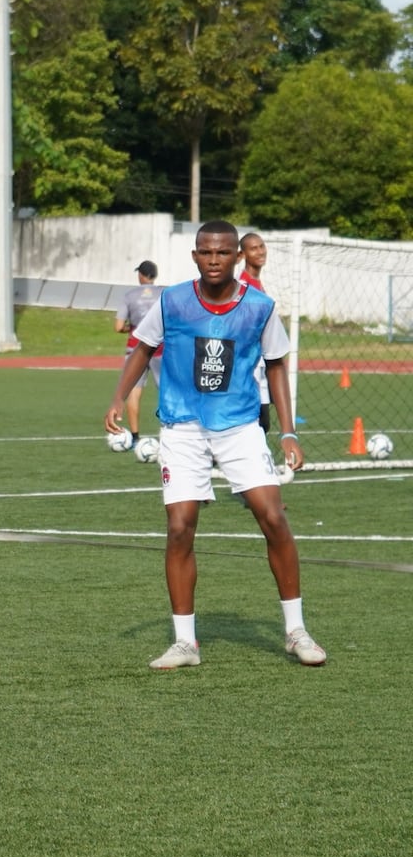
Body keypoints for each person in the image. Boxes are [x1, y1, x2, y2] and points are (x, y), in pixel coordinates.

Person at [103, 220, 326, 670]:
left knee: (273, 515)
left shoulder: (260, 307)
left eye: (223, 253)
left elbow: (277, 365)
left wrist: (287, 430)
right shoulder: (172, 301)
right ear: (194, 256)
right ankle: (185, 643)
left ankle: (296, 630)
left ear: (237, 257)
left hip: (240, 426)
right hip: (182, 427)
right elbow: (143, 348)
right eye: (206, 252)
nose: (214, 260)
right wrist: (118, 397)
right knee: (180, 525)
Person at [113, 261, 162, 445]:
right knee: (166, 392)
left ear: (141, 275)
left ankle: (134, 437)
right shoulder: (163, 294)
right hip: (160, 348)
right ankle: (169, 434)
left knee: (134, 392)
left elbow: (118, 326)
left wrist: (132, 328)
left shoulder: (129, 296)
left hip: (136, 348)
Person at [237, 232, 272, 432]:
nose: (260, 251)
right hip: (248, 364)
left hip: (260, 362)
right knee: (252, 424)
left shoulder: (257, 284)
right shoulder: (244, 285)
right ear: (242, 255)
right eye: (253, 248)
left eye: (261, 246)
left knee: (263, 424)